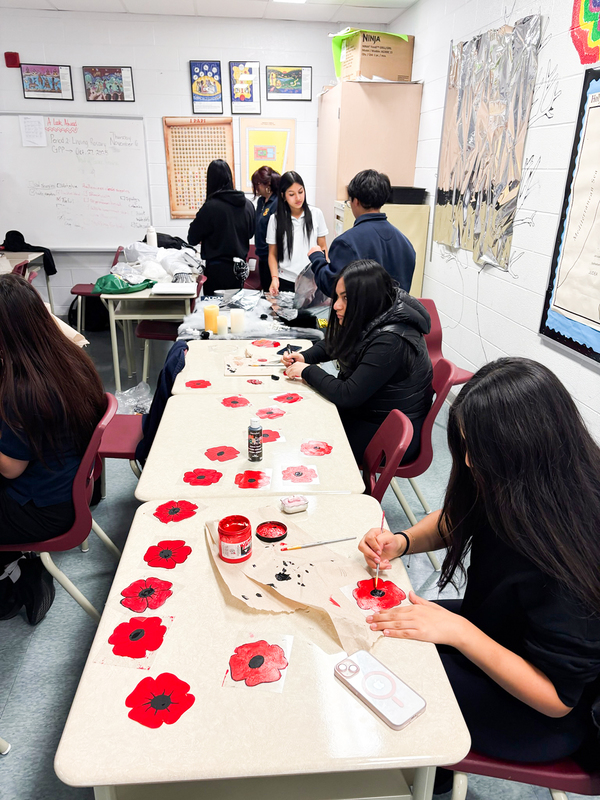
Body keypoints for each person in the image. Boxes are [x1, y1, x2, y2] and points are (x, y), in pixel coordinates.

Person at [359, 357, 600, 787]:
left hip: (540, 716)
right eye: (465, 447)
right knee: (383, 631)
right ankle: (436, 771)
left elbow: (557, 699)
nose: (468, 462)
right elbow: (460, 517)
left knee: (384, 668)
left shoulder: (574, 551)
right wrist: (402, 540)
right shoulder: (520, 484)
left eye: (478, 451)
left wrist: (459, 632)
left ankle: (432, 774)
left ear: (525, 448)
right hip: (498, 636)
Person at [0, 274, 106, 625]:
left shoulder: (23, 389)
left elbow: (9, 469)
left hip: (45, 511)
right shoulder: (66, 357)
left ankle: (12, 576)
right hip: (68, 489)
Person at [283, 260, 432, 464]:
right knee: (305, 418)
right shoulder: (375, 311)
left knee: (309, 439)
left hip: (389, 431)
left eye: (345, 298)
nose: (336, 305)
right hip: (371, 412)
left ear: (366, 298)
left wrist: (307, 371)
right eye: (337, 297)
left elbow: (347, 394)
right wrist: (306, 357)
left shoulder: (391, 340)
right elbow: (336, 342)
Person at [308, 169, 416, 297]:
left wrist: (317, 258)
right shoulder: (405, 243)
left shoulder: (347, 242)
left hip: (361, 316)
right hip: (396, 316)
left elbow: (332, 287)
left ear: (356, 201)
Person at [187, 159, 255, 295]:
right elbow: (250, 233)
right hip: (239, 270)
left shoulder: (210, 207)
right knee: (235, 311)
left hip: (216, 270)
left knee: (216, 312)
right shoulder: (248, 205)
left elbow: (192, 238)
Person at [266, 170, 328, 295]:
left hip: (312, 281)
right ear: (283, 196)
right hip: (285, 281)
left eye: (300, 192)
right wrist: (274, 278)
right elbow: (272, 254)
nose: (298, 198)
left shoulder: (316, 214)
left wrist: (324, 273)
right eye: (292, 194)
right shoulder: (275, 219)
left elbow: (322, 247)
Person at [251, 166, 280, 292]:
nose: (255, 188)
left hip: (273, 257)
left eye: (257, 184)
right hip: (261, 255)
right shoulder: (261, 201)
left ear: (267, 184)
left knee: (272, 294)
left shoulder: (277, 202)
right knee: (265, 291)